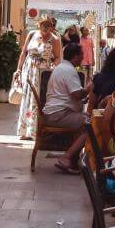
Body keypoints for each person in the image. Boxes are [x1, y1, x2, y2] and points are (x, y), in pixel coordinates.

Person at [43, 41, 91, 175]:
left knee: (86, 121)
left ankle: (72, 158)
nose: (83, 57)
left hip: (57, 112)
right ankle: (67, 157)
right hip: (59, 114)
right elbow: (76, 94)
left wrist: (83, 98)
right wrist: (88, 88)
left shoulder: (62, 67)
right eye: (81, 55)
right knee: (91, 125)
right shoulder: (68, 70)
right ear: (75, 57)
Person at [16, 16, 61, 141]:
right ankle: (26, 131)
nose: (46, 27)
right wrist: (18, 69)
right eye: (43, 24)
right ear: (38, 25)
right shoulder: (31, 34)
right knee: (27, 98)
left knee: (40, 100)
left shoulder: (55, 39)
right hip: (29, 70)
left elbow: (57, 57)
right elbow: (24, 52)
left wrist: (52, 66)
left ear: (52, 26)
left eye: (49, 25)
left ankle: (38, 131)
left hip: (44, 73)